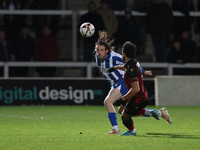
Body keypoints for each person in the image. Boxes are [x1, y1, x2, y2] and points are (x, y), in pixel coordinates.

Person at [94, 31, 159, 134]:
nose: (99, 52)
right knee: (122, 110)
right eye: (97, 50)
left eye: (101, 50)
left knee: (108, 102)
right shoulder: (96, 55)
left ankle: (115, 129)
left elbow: (132, 62)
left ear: (107, 51)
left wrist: (143, 71)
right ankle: (152, 113)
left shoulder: (114, 57)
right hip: (114, 83)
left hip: (121, 82)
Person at [108, 41, 172, 136]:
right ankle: (155, 113)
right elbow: (126, 67)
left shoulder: (131, 69)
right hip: (138, 95)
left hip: (138, 98)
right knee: (121, 110)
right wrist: (115, 67)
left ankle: (132, 132)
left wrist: (122, 99)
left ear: (124, 53)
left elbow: (135, 89)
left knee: (124, 117)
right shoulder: (132, 62)